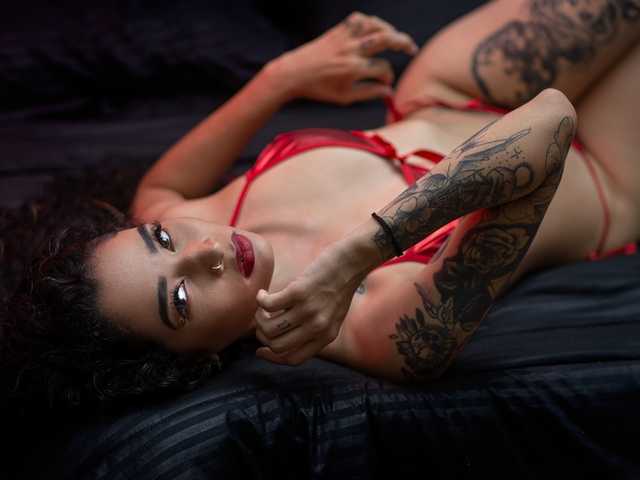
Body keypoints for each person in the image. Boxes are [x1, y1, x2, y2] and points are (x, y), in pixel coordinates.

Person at [3, 1, 639, 410]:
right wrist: (359, 255)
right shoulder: (376, 333)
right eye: (182, 298)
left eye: (162, 240)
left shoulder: (163, 202)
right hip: (603, 169)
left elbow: (173, 177)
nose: (206, 249)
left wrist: (294, 72)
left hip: (447, 92)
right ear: (193, 362)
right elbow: (550, 123)